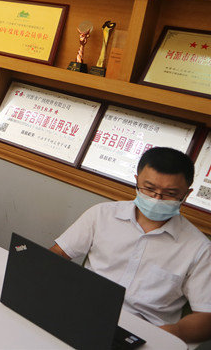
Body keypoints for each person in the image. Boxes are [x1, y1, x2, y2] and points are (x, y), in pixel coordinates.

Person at [51, 147, 211, 344]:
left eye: (170, 193)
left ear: (186, 194)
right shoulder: (102, 214)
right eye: (149, 189)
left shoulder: (199, 248)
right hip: (83, 312)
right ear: (136, 181)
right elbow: (57, 254)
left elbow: (206, 318)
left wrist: (163, 335)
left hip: (145, 333)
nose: (157, 199)